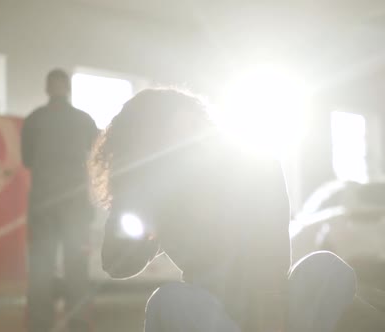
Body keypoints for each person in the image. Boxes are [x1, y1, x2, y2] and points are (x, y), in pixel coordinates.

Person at [89, 88, 356, 332]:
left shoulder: (257, 163)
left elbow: (271, 255)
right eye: (178, 129)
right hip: (209, 312)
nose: (191, 135)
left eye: (194, 123)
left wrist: (272, 321)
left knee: (327, 267)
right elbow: (117, 263)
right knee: (168, 300)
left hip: (274, 303)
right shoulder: (160, 192)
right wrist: (135, 194)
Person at [21, 69, 99, 332]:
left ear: (47, 88)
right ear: (68, 88)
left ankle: (39, 323)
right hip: (75, 203)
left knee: (41, 264)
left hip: (43, 203)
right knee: (76, 263)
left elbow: (26, 160)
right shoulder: (84, 120)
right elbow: (97, 157)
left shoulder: (34, 120)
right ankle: (77, 322)